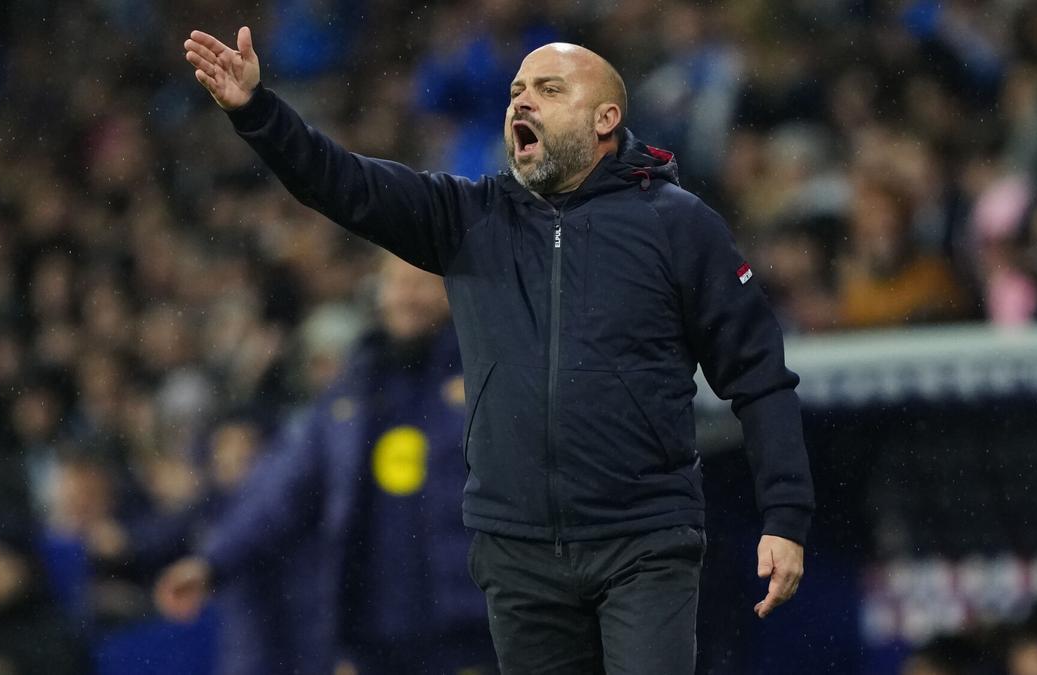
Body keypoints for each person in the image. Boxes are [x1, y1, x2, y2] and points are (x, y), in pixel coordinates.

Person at [182, 26, 814, 674]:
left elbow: (759, 376)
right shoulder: (470, 220)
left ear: (606, 118)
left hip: (643, 541)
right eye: (516, 92)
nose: (522, 102)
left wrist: (786, 514)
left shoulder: (680, 226)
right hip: (518, 556)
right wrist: (258, 113)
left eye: (548, 88)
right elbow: (342, 183)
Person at [155, 255, 495, 674]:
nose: (407, 297)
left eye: (422, 284)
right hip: (373, 640)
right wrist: (212, 562)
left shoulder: (487, 374)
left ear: (453, 292)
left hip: (469, 637)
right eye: (397, 283)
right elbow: (281, 489)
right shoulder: (352, 392)